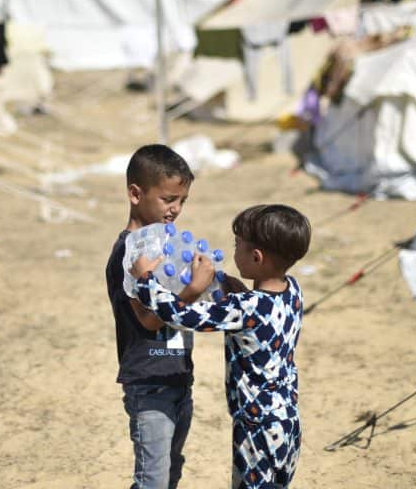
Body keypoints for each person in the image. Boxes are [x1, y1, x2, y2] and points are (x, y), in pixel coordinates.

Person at [130, 204, 311, 489]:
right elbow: (262, 315)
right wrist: (237, 288)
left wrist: (146, 280)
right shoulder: (293, 290)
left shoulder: (245, 307)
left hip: (256, 426)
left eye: (237, 245)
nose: (233, 250)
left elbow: (182, 316)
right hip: (287, 419)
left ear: (256, 257)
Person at [105, 144, 205, 489]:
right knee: (153, 480)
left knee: (170, 471)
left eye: (182, 200)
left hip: (177, 375)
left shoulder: (165, 247)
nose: (176, 209)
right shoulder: (129, 253)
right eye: (168, 199)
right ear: (136, 193)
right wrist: (192, 290)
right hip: (149, 384)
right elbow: (149, 319)